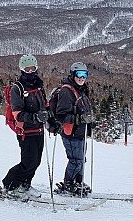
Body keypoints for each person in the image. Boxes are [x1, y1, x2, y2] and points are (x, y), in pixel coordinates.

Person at [0, 55, 49, 198]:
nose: (30, 71)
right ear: (22, 70)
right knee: (28, 162)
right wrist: (35, 117)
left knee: (36, 162)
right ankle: (9, 185)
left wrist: (51, 119)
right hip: (26, 131)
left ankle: (25, 184)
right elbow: (18, 114)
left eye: (32, 68)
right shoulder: (18, 88)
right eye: (27, 69)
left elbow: (44, 105)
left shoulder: (38, 85)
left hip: (39, 130)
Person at [50, 62, 95, 196]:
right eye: (79, 74)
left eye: (84, 74)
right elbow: (61, 115)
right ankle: (68, 184)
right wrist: (80, 120)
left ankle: (77, 182)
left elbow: (83, 110)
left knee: (81, 159)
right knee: (75, 160)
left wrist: (90, 121)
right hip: (71, 133)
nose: (82, 78)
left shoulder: (81, 90)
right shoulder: (66, 91)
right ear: (73, 75)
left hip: (80, 132)